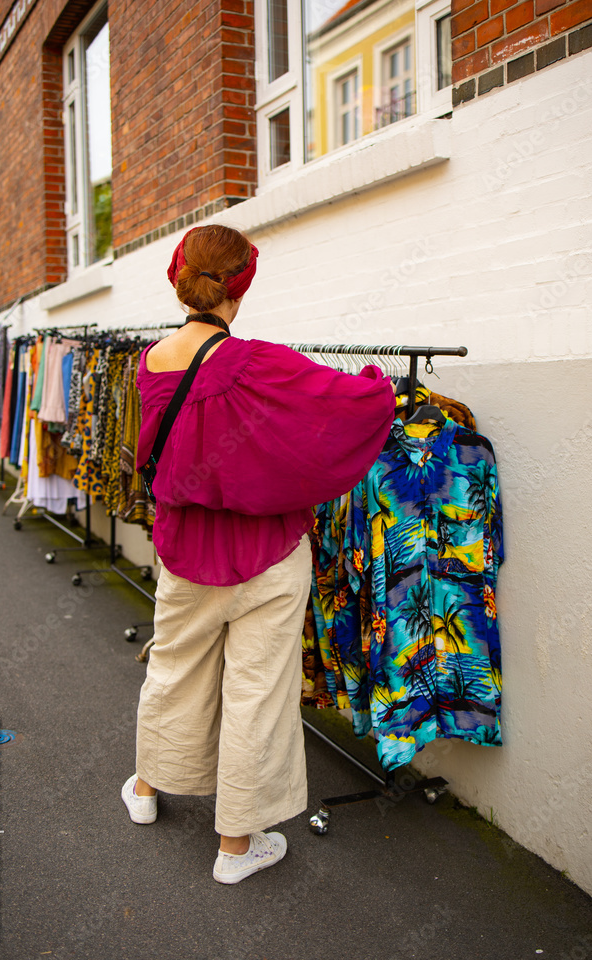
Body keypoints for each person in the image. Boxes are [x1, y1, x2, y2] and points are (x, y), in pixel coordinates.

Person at [122, 224, 395, 884]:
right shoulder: (262, 362)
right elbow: (348, 405)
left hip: (186, 550)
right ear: (240, 285)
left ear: (178, 274)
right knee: (257, 694)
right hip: (268, 553)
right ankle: (236, 848)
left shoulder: (149, 362)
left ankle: (148, 788)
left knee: (174, 668)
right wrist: (375, 382)